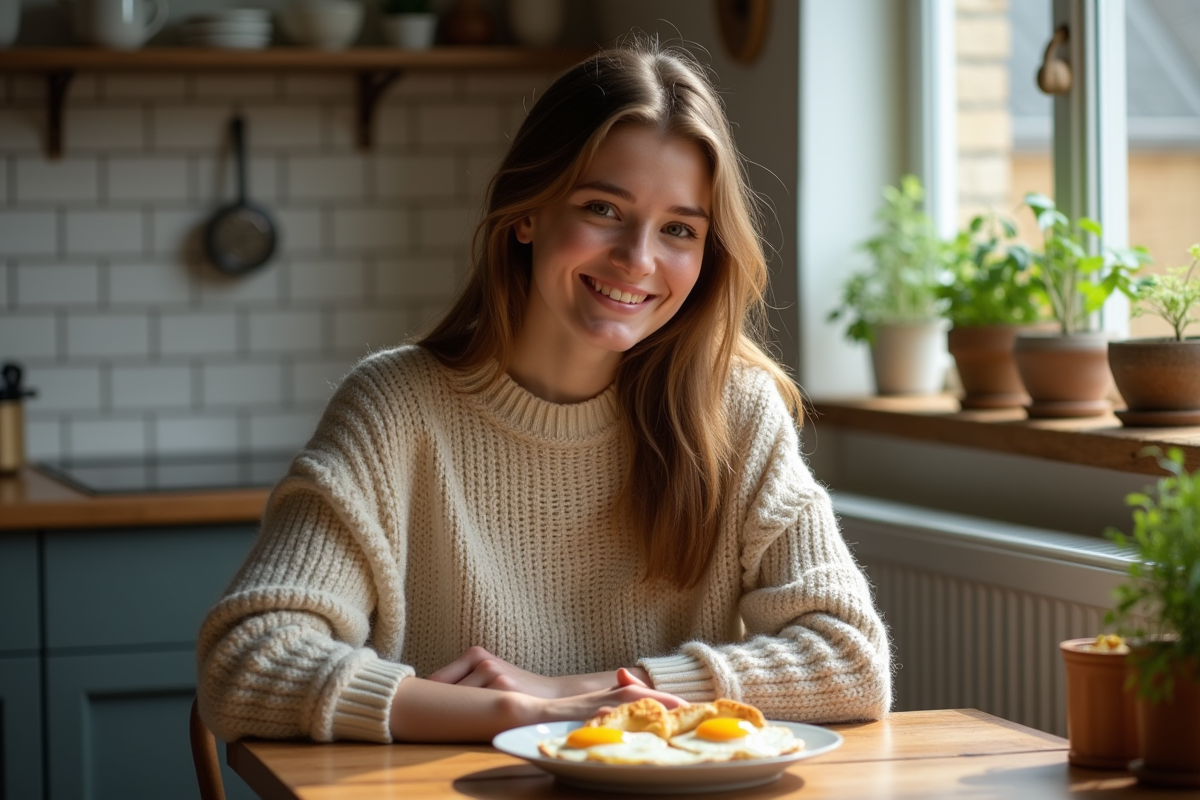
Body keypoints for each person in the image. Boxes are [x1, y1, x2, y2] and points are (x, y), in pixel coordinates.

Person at [196, 39, 892, 745]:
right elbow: (246, 662)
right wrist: (516, 714)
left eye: (679, 229)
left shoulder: (734, 410)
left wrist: (588, 693)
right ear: (527, 213)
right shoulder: (394, 407)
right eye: (602, 208)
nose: (639, 259)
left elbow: (853, 661)